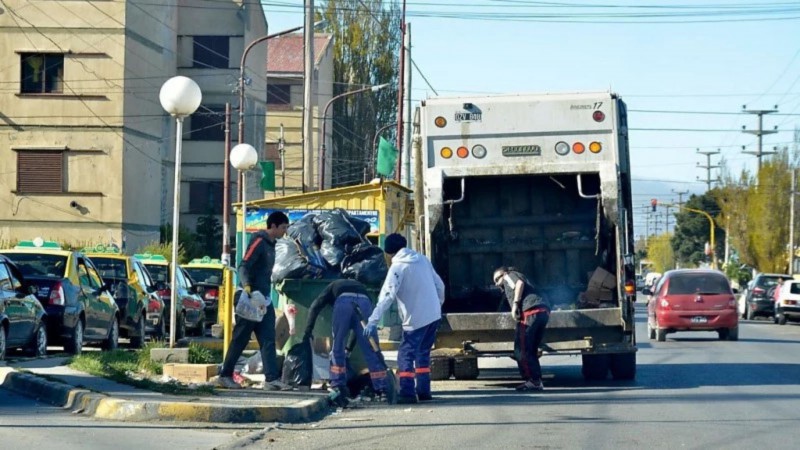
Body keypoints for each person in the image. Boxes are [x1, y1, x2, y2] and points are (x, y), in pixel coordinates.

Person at [364, 233, 444, 404]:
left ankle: (407, 393)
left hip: (415, 319)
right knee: (423, 353)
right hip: (433, 315)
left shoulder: (397, 268)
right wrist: (437, 305)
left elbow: (387, 295)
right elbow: (440, 285)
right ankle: (424, 391)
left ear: (388, 252)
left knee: (406, 354)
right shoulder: (422, 260)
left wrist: (373, 320)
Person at [216, 211, 291, 390]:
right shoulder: (259, 241)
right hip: (251, 299)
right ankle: (225, 375)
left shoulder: (272, 245)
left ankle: (271, 379)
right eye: (283, 227)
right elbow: (244, 265)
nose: (285, 232)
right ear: (272, 226)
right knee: (240, 339)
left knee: (268, 339)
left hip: (263, 300)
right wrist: (248, 288)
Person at [303, 278, 389, 405]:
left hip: (343, 302)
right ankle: (382, 390)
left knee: (337, 346)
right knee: (371, 349)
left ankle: (338, 387)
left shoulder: (332, 286)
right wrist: (349, 348)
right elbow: (359, 326)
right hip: (365, 302)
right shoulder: (361, 286)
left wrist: (308, 331)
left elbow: (315, 305)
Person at [493, 266, 550, 392]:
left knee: (521, 349)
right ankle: (536, 380)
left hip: (530, 311)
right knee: (531, 348)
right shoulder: (516, 278)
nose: (497, 284)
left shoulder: (509, 275)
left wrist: (515, 305)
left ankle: (533, 380)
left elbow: (519, 284)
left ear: (504, 273)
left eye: (497, 279)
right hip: (543, 311)